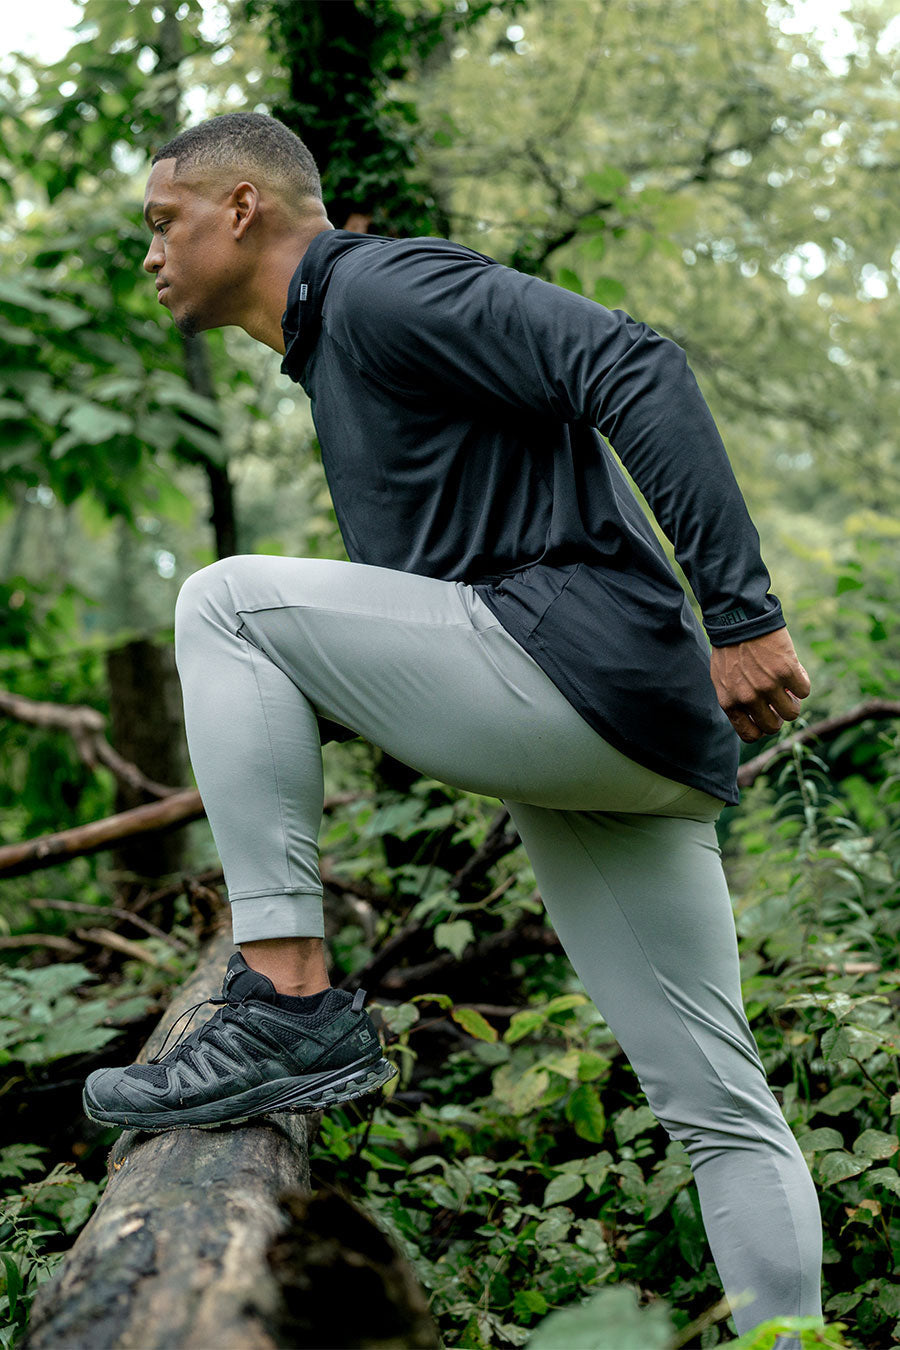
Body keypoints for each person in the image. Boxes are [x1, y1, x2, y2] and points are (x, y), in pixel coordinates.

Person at [82, 112, 822, 1343]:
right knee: (721, 1109)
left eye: (165, 223)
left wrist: (743, 614)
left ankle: (286, 1001)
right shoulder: (336, 349)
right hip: (629, 736)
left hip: (581, 667)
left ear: (243, 209)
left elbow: (636, 362)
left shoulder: (375, 289)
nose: (152, 255)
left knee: (225, 603)